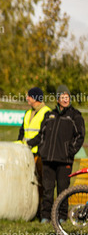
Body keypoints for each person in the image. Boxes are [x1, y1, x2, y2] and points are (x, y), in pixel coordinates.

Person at [27, 85, 85, 224]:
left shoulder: (75, 116)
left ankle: (62, 218)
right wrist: (29, 144)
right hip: (48, 159)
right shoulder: (49, 115)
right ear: (57, 99)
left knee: (63, 190)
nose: (65, 100)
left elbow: (80, 136)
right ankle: (45, 217)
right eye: (62, 97)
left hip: (65, 161)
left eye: (67, 97)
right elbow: (41, 135)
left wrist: (70, 152)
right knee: (47, 190)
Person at [17, 87, 51, 218]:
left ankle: (42, 211)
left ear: (35, 98)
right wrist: (20, 145)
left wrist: (29, 144)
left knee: (41, 184)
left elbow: (43, 135)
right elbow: (22, 132)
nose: (27, 98)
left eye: (29, 96)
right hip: (26, 153)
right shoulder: (28, 113)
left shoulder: (47, 113)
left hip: (39, 154)